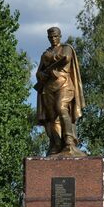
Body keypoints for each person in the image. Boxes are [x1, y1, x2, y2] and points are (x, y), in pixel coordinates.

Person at [35, 27, 86, 157]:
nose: (53, 39)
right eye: (50, 37)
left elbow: (66, 58)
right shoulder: (45, 53)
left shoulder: (66, 48)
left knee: (61, 108)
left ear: (60, 36)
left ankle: (69, 141)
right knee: (52, 117)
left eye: (55, 36)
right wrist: (41, 75)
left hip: (64, 83)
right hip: (48, 87)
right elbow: (39, 71)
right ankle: (57, 144)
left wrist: (52, 64)